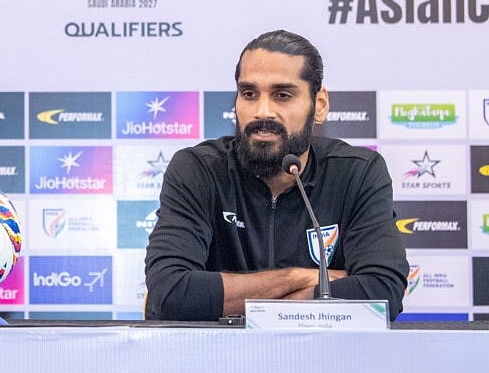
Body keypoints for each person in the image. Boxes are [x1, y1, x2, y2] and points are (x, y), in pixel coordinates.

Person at [143, 30, 408, 321]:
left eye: (282, 95)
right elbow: (172, 293)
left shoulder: (357, 172)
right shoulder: (199, 169)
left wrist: (235, 299)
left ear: (319, 105)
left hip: (319, 359)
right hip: (215, 359)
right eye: (249, 94)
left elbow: (382, 293)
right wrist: (300, 279)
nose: (262, 111)